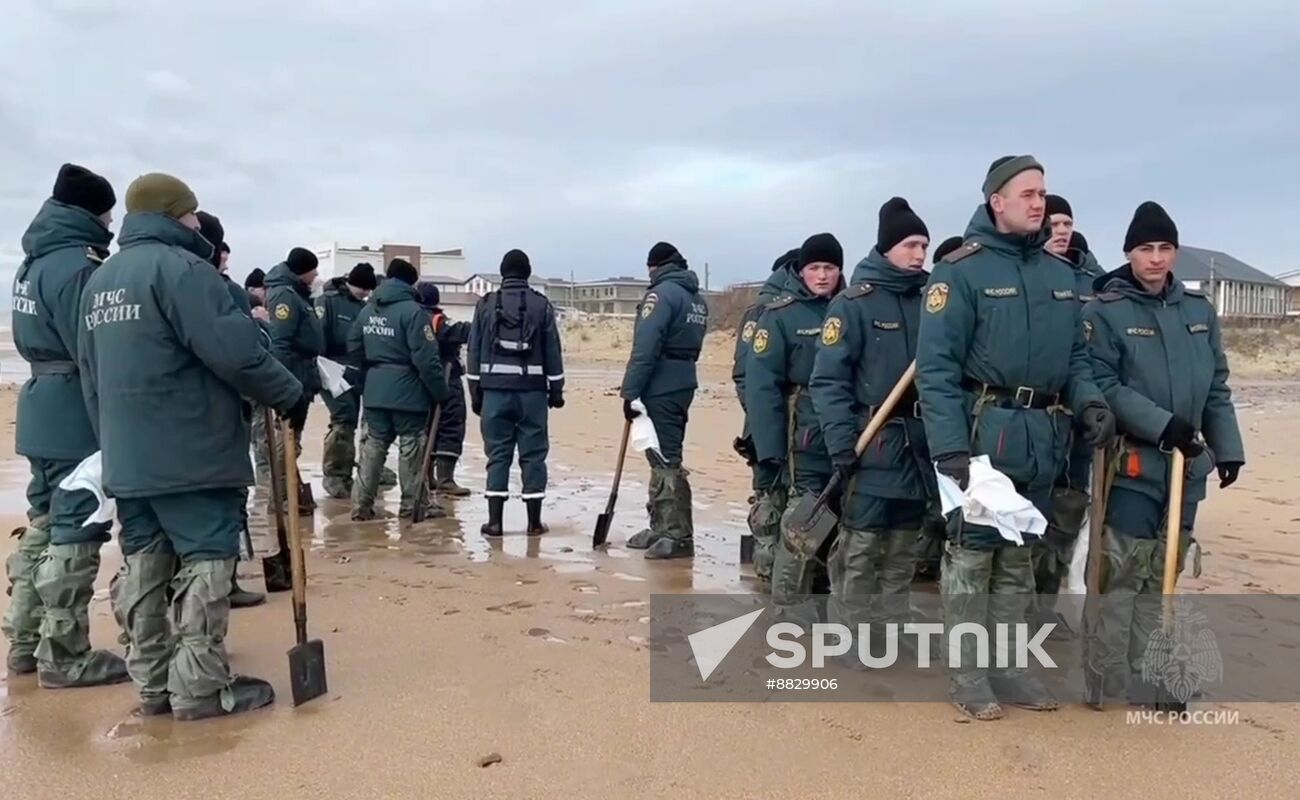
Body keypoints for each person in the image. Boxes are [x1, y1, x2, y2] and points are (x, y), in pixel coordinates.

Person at [78, 172, 306, 719]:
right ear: (173, 215)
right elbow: (234, 354)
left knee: (146, 563)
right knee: (207, 557)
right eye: (191, 214)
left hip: (129, 454)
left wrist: (110, 438)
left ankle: (154, 682)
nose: (196, 222)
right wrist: (289, 393)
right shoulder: (184, 272)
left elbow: (91, 374)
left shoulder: (100, 281)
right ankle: (200, 687)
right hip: (192, 449)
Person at [916, 155, 1115, 720]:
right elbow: (935, 368)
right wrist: (951, 449)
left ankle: (1010, 666)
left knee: (1019, 559)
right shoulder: (959, 272)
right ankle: (969, 674)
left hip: (1043, 439)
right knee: (974, 558)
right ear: (996, 202)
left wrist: (1091, 403)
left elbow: (1076, 358)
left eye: (1044, 194)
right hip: (984, 435)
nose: (1039, 203)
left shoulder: (1059, 277)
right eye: (1027, 194)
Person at [1081, 201, 1244, 706]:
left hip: (1187, 468)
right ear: (1129, 252)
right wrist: (1160, 425)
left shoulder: (1198, 312)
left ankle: (1152, 673)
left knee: (1164, 573)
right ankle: (1104, 676)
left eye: (1165, 248)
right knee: (1122, 574)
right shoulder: (1104, 312)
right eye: (1146, 249)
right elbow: (1103, 383)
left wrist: (1228, 448)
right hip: (1134, 465)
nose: (1156, 258)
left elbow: (1215, 386)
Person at [4, 164, 128, 686]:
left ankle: (23, 640)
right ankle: (64, 654)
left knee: (45, 522)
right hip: (76, 408)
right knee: (78, 528)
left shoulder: (30, 263)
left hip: (38, 405)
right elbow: (95, 346)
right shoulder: (80, 266)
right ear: (93, 213)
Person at [810, 199, 933, 638]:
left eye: (924, 245)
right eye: (911, 245)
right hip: (872, 441)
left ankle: (889, 627)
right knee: (862, 546)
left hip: (920, 446)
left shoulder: (933, 302)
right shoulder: (854, 305)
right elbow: (828, 381)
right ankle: (850, 632)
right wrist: (842, 443)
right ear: (887, 248)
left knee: (904, 545)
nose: (920, 254)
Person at [747, 233, 844, 597]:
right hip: (801, 431)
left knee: (836, 516)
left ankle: (820, 588)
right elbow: (761, 387)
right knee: (807, 514)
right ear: (801, 271)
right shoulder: (780, 316)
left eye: (830, 268)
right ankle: (788, 599)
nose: (822, 276)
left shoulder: (849, 308)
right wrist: (770, 449)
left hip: (848, 429)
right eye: (814, 268)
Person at [1035, 197, 1111, 629]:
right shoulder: (1025, 273)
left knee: (1068, 513)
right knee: (1028, 514)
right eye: (1053, 222)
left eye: (1067, 222)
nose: (1061, 230)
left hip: (1080, 415)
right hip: (1035, 416)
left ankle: (1044, 608)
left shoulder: (1094, 282)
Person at [195, 211, 266, 610]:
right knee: (227, 497)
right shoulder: (225, 291)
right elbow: (246, 351)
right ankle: (227, 578)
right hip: (223, 408)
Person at [620, 242, 708, 559]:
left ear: (654, 267)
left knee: (665, 458)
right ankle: (660, 526)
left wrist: (630, 391)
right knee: (659, 455)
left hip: (661, 382)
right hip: (683, 379)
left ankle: (677, 534)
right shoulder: (695, 298)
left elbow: (646, 346)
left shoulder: (661, 295)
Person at [466, 250, 564, 535]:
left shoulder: (485, 305)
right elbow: (552, 351)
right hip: (532, 394)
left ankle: (495, 523)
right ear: (528, 272)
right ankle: (534, 523)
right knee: (533, 456)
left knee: (498, 455)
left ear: (503, 273)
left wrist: (475, 392)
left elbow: (473, 350)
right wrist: (556, 390)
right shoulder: (541, 305)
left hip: (494, 393)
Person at [348, 259, 447, 520]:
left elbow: (353, 347)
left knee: (373, 448)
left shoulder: (368, 310)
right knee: (411, 448)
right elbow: (426, 359)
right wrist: (440, 392)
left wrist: (368, 378)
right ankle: (412, 505)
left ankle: (361, 505)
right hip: (409, 392)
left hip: (376, 389)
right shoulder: (413, 312)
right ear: (410, 282)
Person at [731, 247, 798, 587]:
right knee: (770, 495)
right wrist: (763, 416)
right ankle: (768, 568)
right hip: (765, 423)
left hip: (808, 427)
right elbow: (745, 374)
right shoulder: (762, 312)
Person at [265, 247, 324, 513]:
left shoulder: (297, 293)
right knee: (287, 439)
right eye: (314, 270)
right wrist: (283, 384)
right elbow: (280, 342)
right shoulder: (286, 297)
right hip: (293, 376)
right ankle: (279, 497)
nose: (316, 275)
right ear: (304, 270)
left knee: (293, 439)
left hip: (302, 373)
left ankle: (287, 492)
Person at [314, 263, 378, 499]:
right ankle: (335, 475)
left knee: (352, 419)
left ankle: (349, 472)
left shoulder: (364, 307)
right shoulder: (328, 302)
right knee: (343, 418)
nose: (365, 293)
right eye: (363, 288)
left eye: (368, 290)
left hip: (355, 371)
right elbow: (319, 336)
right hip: (330, 368)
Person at [416, 281, 473, 496]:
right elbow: (455, 333)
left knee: (427, 426)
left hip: (420, 380)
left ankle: (427, 476)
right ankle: (445, 479)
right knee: (451, 425)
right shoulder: (435, 319)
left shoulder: (412, 317)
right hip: (446, 376)